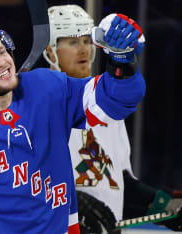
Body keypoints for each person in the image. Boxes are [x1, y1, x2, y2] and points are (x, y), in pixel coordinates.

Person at [0, 15, 146, 233]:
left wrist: (123, 61)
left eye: (2, 51)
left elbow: (114, 101)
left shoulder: (47, 89)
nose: (1, 62)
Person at [43, 4, 182, 233]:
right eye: (72, 41)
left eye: (87, 40)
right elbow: (22, 186)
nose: (83, 49)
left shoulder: (107, 107)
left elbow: (118, 185)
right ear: (50, 51)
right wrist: (72, 202)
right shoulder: (39, 107)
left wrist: (164, 204)